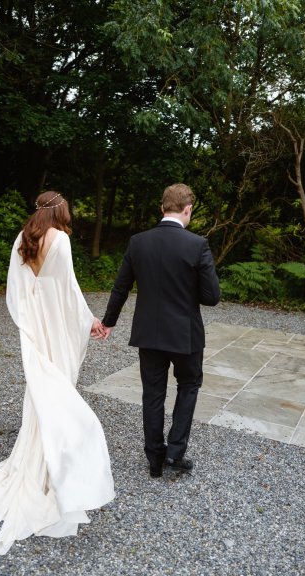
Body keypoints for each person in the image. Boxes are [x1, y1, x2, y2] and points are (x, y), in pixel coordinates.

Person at [0, 191, 115, 555]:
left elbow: (17, 292)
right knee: (60, 392)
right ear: (62, 211)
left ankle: (40, 458)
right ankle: (54, 471)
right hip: (57, 330)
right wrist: (89, 322)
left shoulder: (23, 239)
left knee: (43, 393)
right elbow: (68, 291)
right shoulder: (61, 240)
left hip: (37, 329)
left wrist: (28, 329)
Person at [101, 183, 220, 478]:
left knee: (152, 394)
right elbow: (211, 296)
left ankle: (154, 457)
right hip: (185, 334)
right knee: (189, 386)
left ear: (161, 207)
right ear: (188, 209)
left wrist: (108, 322)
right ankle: (175, 453)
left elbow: (121, 287)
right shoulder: (197, 245)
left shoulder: (138, 242)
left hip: (149, 334)